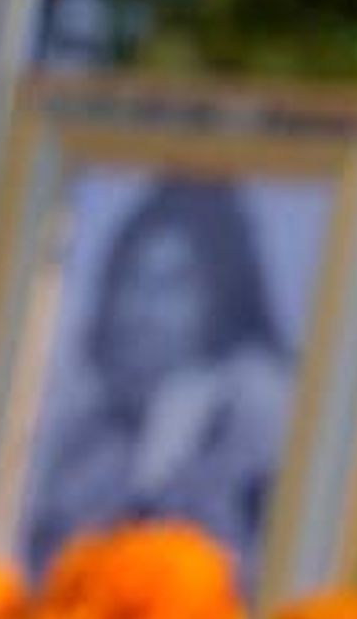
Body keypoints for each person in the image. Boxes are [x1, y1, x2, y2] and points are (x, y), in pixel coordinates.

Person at [25, 177, 295, 580]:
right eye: (133, 280)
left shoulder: (260, 436)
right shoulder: (86, 435)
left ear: (221, 295)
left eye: (174, 285)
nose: (143, 310)